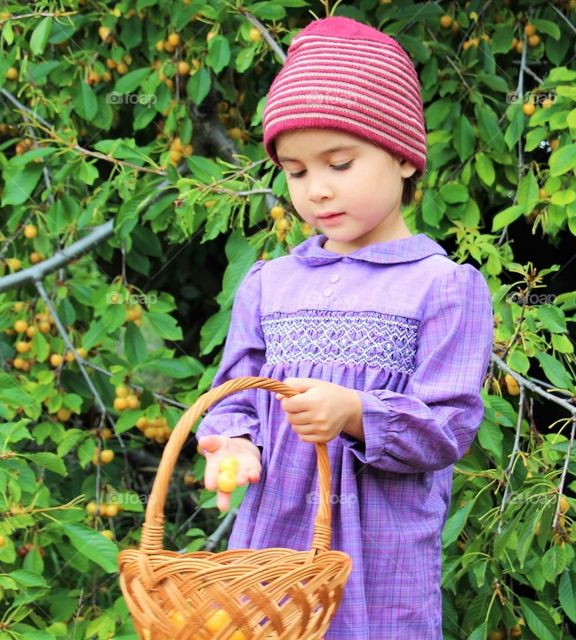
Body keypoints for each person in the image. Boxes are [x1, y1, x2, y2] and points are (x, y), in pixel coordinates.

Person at [194, 15, 494, 639]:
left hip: (379, 553)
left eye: (340, 162)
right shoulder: (270, 283)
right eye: (297, 172)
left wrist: (357, 411)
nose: (318, 190)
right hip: (274, 549)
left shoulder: (441, 287)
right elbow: (236, 393)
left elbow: (447, 427)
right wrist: (234, 444)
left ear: (403, 159)